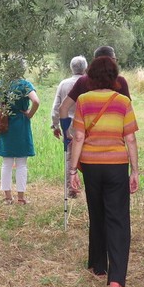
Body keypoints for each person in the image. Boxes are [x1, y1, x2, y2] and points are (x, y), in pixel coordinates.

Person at [67, 55, 139, 287]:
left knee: (96, 212)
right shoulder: (122, 101)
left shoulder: (84, 100)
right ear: (114, 76)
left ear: (92, 76)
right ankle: (116, 278)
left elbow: (78, 137)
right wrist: (135, 170)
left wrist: (73, 169)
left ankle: (98, 264)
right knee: (118, 218)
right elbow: (130, 138)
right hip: (117, 165)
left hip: (91, 165)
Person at [0, 74, 40, 204]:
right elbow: (36, 101)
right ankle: (21, 198)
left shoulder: (2, 84)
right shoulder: (25, 84)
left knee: (6, 163)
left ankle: (7, 197)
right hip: (21, 124)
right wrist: (29, 114)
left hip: (6, 124)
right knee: (22, 164)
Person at [57, 46, 132, 121]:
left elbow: (63, 108)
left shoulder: (82, 81)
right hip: (115, 131)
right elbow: (128, 112)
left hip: (86, 131)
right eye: (115, 60)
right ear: (112, 60)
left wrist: (66, 131)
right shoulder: (120, 82)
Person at [51, 56, 88, 199]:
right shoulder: (87, 83)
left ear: (71, 68)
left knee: (70, 157)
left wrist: (55, 125)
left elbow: (57, 106)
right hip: (85, 124)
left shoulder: (64, 83)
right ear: (85, 68)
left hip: (68, 125)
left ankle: (71, 188)